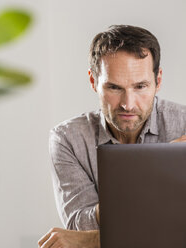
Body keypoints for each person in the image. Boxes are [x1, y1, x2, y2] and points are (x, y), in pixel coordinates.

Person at [38, 25, 186, 248]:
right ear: (93, 82)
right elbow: (79, 224)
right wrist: (154, 179)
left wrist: (93, 241)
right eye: (114, 87)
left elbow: (81, 239)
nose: (128, 104)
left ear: (158, 80)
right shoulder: (67, 139)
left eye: (140, 86)